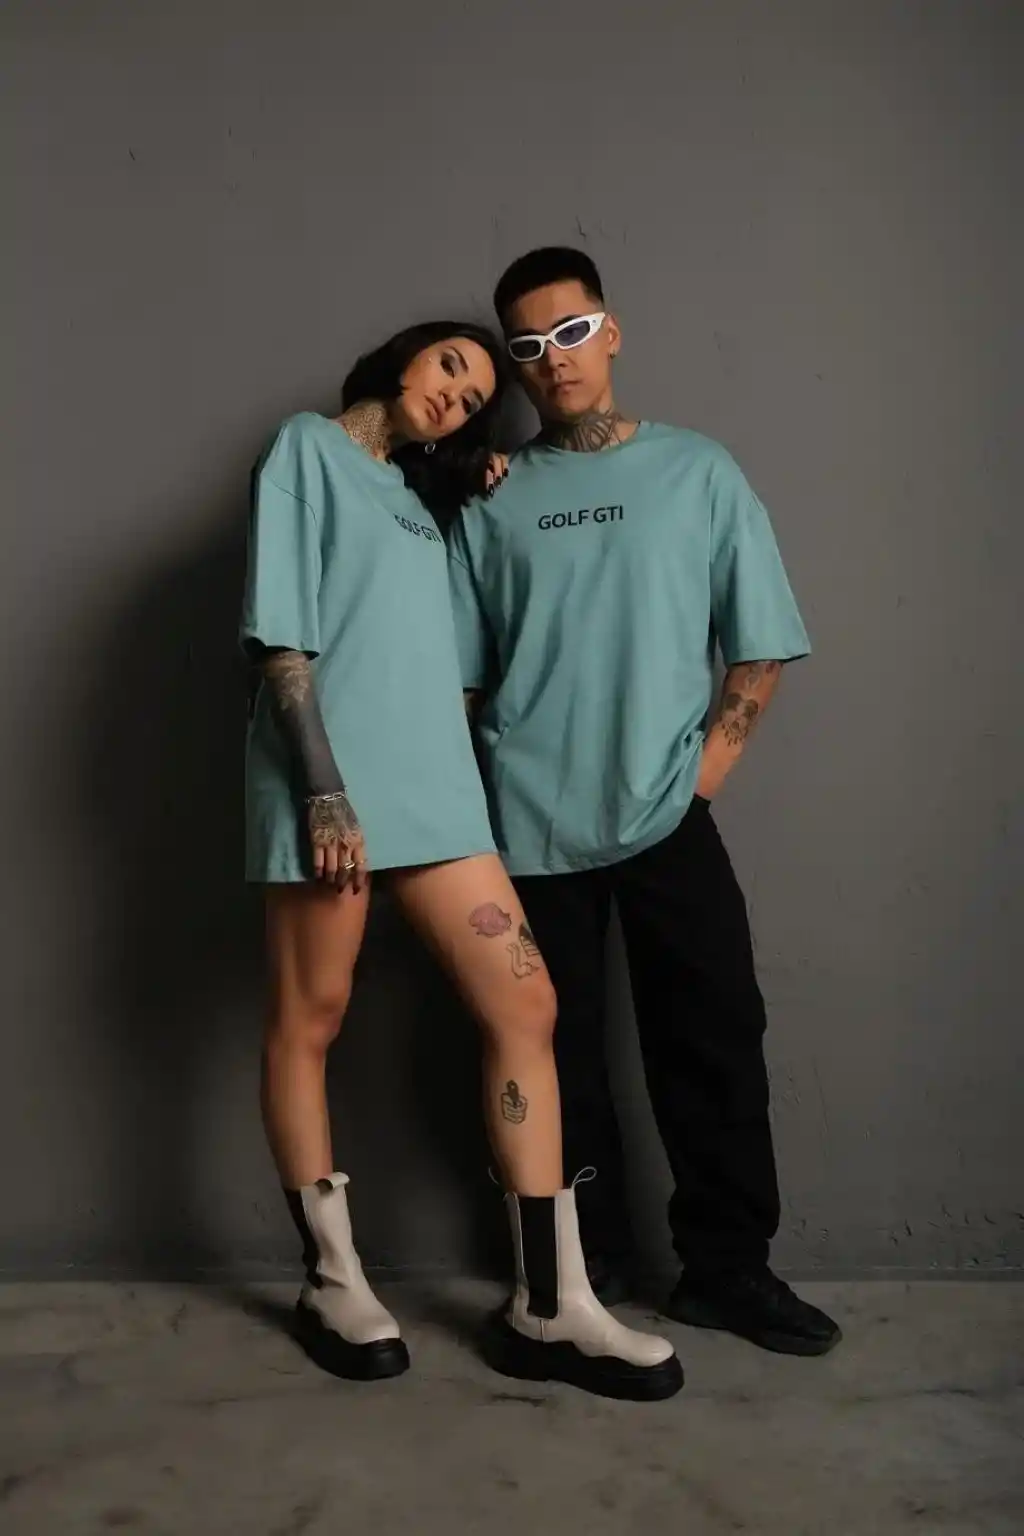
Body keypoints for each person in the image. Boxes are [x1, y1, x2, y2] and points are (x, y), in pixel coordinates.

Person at [240, 317, 682, 1401]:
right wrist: (323, 787)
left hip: (436, 791)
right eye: (449, 366)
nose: (456, 394)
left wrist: (465, 484)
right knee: (312, 1017)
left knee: (525, 1005)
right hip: (330, 783)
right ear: (402, 357)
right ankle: (332, 1279)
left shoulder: (419, 499)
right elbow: (283, 636)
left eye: (477, 395)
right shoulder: (308, 447)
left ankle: (550, 1302)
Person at [448, 251, 841, 1357]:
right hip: (525, 823)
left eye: (571, 333)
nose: (554, 361)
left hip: (667, 813)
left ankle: (727, 1270)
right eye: (528, 347)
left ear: (610, 332)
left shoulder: (697, 471)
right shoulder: (492, 495)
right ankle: (588, 1267)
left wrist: (701, 777)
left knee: (714, 1036)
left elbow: (760, 644)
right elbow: (462, 676)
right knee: (555, 1057)